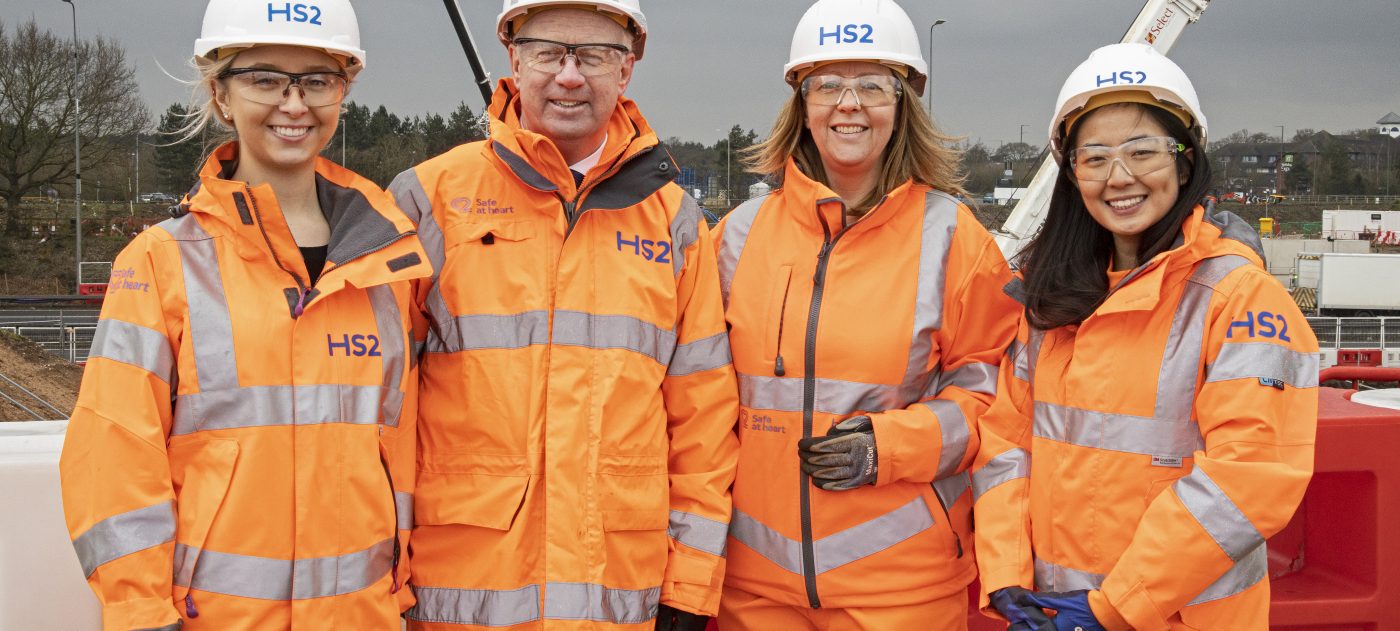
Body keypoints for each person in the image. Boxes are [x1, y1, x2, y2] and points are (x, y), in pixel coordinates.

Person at [58, 0, 430, 628]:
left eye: (317, 80)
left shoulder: (390, 265)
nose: (294, 104)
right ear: (221, 95)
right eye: (265, 79)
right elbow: (114, 457)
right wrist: (141, 611)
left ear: (343, 92)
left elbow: (399, 452)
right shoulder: (162, 261)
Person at [387, 1, 739, 629]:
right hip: (457, 598)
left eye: (595, 55)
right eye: (549, 51)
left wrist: (689, 585)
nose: (569, 76)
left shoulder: (674, 220)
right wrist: (379, 578)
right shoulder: (428, 200)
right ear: (514, 61)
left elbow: (703, 425)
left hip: (619, 600)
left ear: (627, 69)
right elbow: (379, 414)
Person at [972, 43, 1318, 631]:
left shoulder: (1240, 300)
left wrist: (1115, 607)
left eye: (1143, 152)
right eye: (1096, 157)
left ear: (1185, 163)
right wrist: (1006, 576)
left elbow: (1248, 480)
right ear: (1071, 171)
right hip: (1053, 615)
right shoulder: (1053, 301)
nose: (1120, 177)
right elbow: (1005, 442)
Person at [712, 0, 1020, 628]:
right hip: (753, 591)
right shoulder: (736, 238)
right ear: (801, 103)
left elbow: (999, 397)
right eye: (827, 84)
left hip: (903, 589)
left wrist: (892, 446)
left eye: (873, 85)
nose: (848, 104)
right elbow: (695, 403)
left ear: (903, 103)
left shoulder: (955, 239)